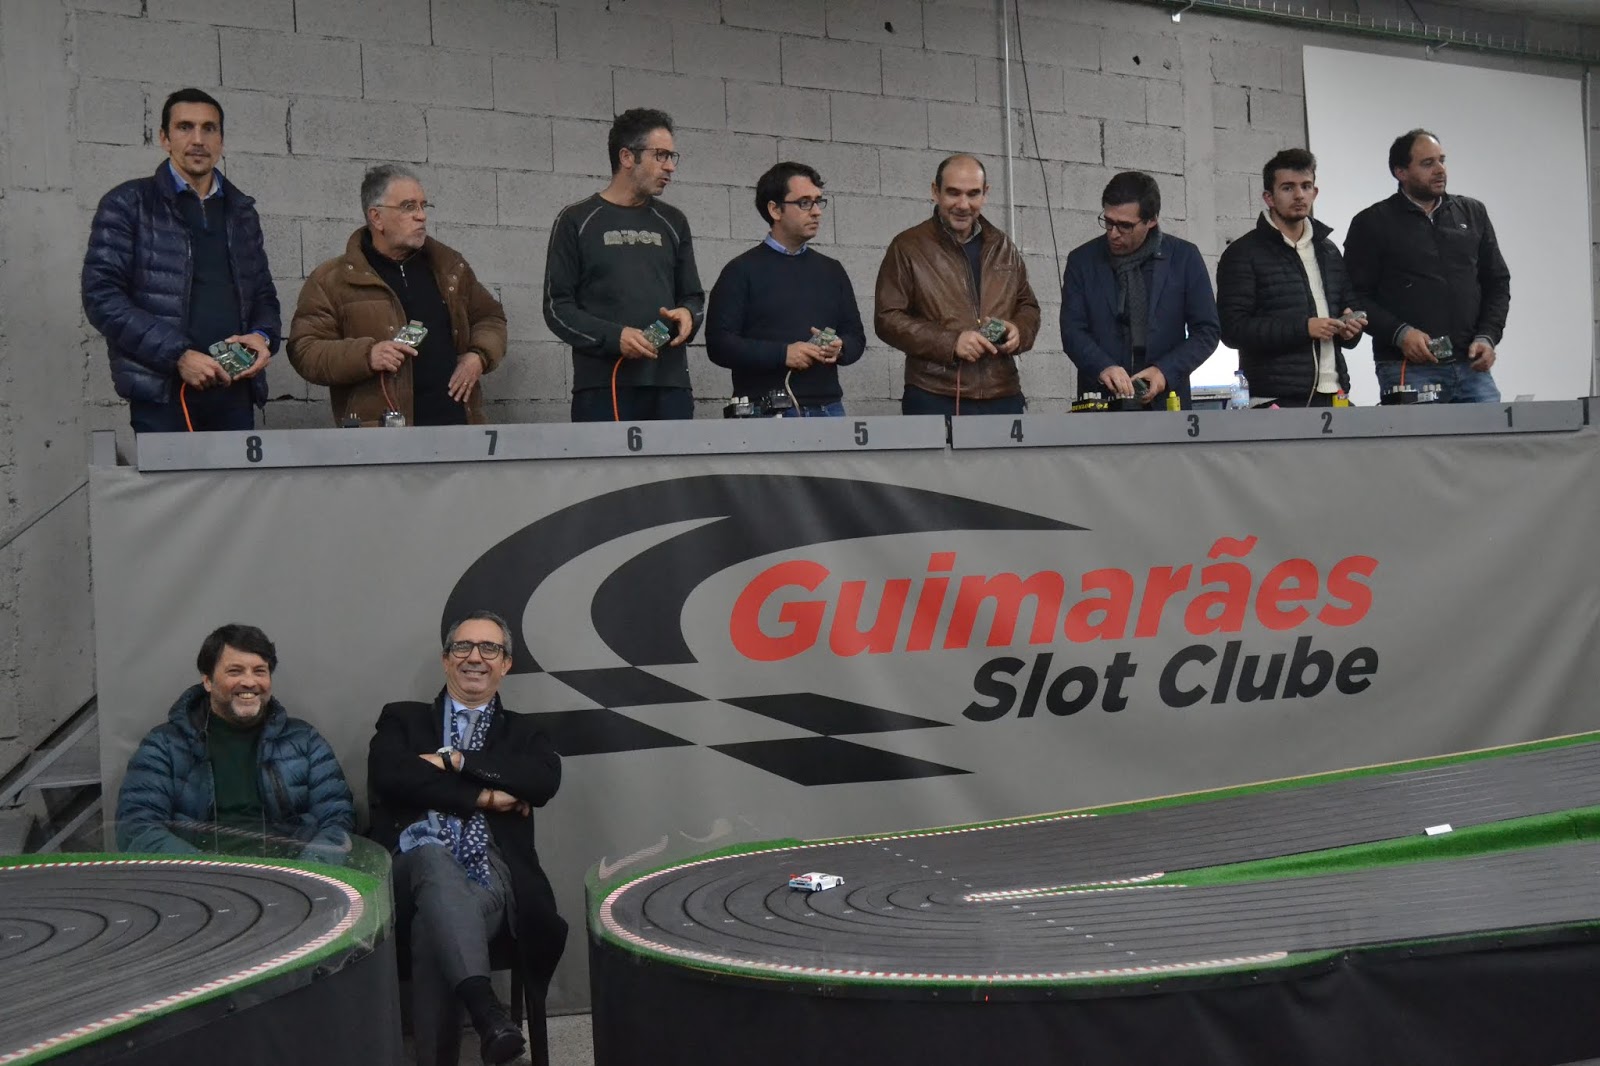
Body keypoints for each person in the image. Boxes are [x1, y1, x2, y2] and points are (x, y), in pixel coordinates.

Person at [367, 612, 565, 1066]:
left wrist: (454, 760)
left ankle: (482, 1023)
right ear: (446, 659)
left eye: (489, 648)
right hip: (406, 872)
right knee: (431, 855)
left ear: (505, 664)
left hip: (489, 878)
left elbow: (541, 780)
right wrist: (483, 795)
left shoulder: (524, 733)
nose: (475, 657)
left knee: (433, 925)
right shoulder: (402, 718)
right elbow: (390, 774)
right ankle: (486, 1011)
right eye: (463, 646)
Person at [82, 88, 280, 432]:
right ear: (164, 138)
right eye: (185, 127)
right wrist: (178, 356)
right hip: (164, 393)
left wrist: (262, 337)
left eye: (209, 128)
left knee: (234, 472)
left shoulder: (241, 212)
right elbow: (102, 297)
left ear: (221, 140)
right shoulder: (128, 203)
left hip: (234, 390)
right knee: (171, 472)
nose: (198, 139)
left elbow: (263, 294)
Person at [288, 164, 507, 426]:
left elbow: (491, 317)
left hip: (457, 429)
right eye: (408, 207)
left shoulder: (450, 268)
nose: (421, 216)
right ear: (376, 217)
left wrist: (478, 356)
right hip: (382, 438)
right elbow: (305, 350)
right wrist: (366, 355)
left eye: (423, 206)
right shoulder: (332, 279)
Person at [115, 624, 354, 856]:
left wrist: (304, 873)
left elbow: (337, 821)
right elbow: (137, 827)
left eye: (259, 671)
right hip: (198, 876)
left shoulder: (306, 742)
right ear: (207, 681)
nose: (249, 682)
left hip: (289, 875)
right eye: (235, 671)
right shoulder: (164, 745)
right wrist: (206, 872)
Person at [543, 108, 705, 422]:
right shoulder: (576, 220)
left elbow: (693, 297)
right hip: (603, 388)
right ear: (627, 157)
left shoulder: (673, 221)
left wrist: (688, 315)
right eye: (660, 155)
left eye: (672, 156)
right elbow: (557, 308)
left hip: (669, 385)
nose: (670, 166)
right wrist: (613, 337)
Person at [1343, 129, 1511, 403]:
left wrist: (1488, 336)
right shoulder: (1372, 222)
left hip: (1472, 367)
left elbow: (1497, 283)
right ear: (1400, 172)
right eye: (1427, 163)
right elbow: (1355, 296)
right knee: (1418, 435)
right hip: (1408, 368)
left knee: (1491, 433)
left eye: (1442, 160)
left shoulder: (1473, 212)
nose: (1440, 170)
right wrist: (1400, 334)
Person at [873, 154, 1040, 415]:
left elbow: (1028, 306)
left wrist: (1018, 330)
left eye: (973, 194)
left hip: (1003, 393)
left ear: (985, 194)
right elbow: (887, 318)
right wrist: (950, 342)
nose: (963, 204)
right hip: (934, 393)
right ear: (935, 191)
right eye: (953, 193)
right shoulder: (907, 247)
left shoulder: (1003, 246)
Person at [705, 162, 866, 416]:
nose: (816, 212)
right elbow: (719, 345)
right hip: (765, 411)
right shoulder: (740, 270)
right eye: (804, 203)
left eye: (818, 202)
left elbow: (856, 336)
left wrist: (840, 347)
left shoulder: (832, 270)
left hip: (828, 409)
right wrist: (783, 354)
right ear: (775, 209)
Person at [1216, 148, 1364, 407]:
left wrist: (1351, 330)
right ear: (1269, 197)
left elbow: (1348, 309)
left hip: (1335, 392)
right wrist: (1304, 329)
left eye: (1306, 186)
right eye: (1288, 188)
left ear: (1315, 193)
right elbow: (1232, 330)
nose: (1299, 195)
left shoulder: (1329, 251)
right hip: (1275, 398)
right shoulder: (1243, 253)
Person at [1061, 171, 1219, 410]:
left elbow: (1207, 331)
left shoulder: (1184, 258)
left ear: (1151, 220)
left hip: (1166, 402)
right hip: (1102, 402)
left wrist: (1164, 371)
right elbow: (1072, 330)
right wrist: (1103, 366)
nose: (1113, 233)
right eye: (1108, 221)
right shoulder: (1082, 261)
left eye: (1125, 226)